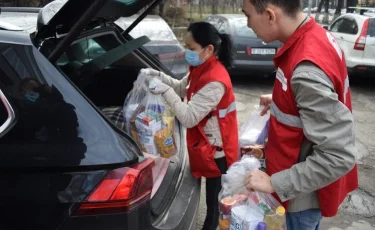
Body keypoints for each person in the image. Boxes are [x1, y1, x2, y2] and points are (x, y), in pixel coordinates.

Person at [241, 0, 358, 229]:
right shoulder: (317, 36)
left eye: (248, 16)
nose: (248, 24)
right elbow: (324, 95)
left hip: (297, 201)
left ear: (270, 15)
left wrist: (275, 183)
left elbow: (339, 156)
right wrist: (285, 99)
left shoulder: (306, 69)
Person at [141, 21, 239, 230]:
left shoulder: (216, 80)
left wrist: (164, 91)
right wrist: (156, 75)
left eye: (191, 48)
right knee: (209, 199)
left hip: (218, 152)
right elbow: (180, 88)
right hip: (204, 145)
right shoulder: (200, 68)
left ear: (208, 49)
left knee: (213, 206)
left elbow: (189, 117)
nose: (187, 52)